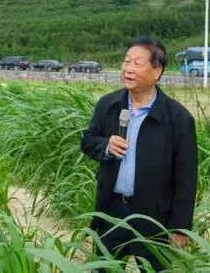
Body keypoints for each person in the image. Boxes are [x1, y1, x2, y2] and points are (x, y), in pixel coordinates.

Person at [80, 36, 198, 272]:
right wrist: (105, 146)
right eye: (126, 62)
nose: (128, 69)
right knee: (103, 268)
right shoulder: (108, 105)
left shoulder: (178, 118)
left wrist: (179, 227)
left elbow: (186, 177)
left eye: (137, 63)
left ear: (157, 71)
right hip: (112, 210)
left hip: (154, 216)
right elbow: (88, 141)